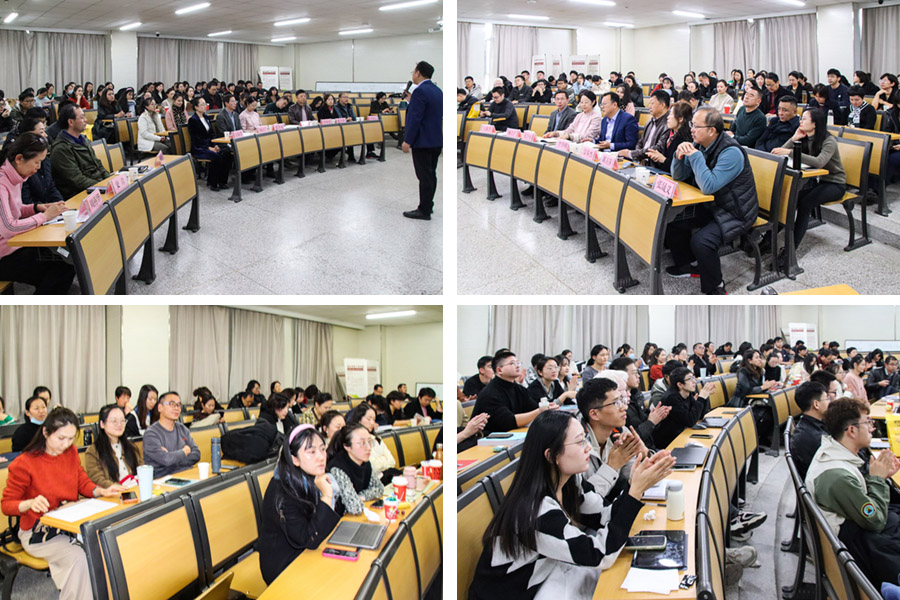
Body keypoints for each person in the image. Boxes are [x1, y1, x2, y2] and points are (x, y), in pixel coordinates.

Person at [470, 410, 673, 599]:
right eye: (579, 442)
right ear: (551, 456)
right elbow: (599, 554)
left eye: (585, 439)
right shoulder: (535, 510)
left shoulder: (570, 482)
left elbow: (604, 516)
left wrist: (634, 484)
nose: (587, 447)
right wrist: (634, 492)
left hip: (545, 578)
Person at [1, 407, 124, 600]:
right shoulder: (25, 462)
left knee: (106, 545)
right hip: (37, 531)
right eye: (61, 438)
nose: (66, 444)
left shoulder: (70, 453)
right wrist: (29, 503)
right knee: (79, 558)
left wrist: (101, 491)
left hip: (68, 523)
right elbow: (7, 505)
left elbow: (82, 482)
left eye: (70, 439)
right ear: (45, 432)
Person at [806, 398, 900, 587]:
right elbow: (875, 521)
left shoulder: (834, 453)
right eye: (868, 422)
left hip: (855, 536)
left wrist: (878, 476)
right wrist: (878, 479)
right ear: (851, 430)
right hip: (856, 552)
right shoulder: (837, 476)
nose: (872, 428)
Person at [667, 106, 759, 294]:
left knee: (702, 241)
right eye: (692, 125)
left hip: (737, 212)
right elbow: (679, 176)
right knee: (674, 220)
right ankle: (687, 265)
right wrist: (678, 156)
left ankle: (716, 287)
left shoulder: (731, 152)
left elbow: (709, 186)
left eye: (696, 126)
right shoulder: (701, 145)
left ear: (711, 130)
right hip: (713, 205)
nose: (691, 130)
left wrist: (695, 156)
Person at [258, 424, 340, 585]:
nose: (321, 457)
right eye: (311, 452)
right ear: (294, 459)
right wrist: (327, 496)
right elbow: (309, 539)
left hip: (305, 552)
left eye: (322, 449)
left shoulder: (310, 477)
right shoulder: (283, 491)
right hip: (283, 565)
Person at [0, 133, 73, 293]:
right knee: (58, 269)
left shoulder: (15, 176)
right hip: (4, 254)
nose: (39, 167)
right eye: (36, 162)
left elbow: (15, 209)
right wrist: (44, 216)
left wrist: (37, 208)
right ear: (19, 158)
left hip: (14, 244)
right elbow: (8, 227)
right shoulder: (2, 182)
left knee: (66, 260)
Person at [772, 108, 845, 259]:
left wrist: (791, 152)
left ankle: (790, 251)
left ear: (815, 124)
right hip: (819, 182)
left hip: (835, 184)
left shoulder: (829, 141)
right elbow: (779, 152)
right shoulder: (805, 137)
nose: (801, 121)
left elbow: (819, 162)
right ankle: (769, 240)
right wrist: (794, 138)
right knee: (791, 200)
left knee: (805, 204)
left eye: (804, 119)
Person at [472, 351, 559, 434]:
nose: (517, 366)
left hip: (514, 433)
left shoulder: (519, 389)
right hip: (490, 438)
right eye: (512, 363)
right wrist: (540, 411)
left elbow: (533, 408)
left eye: (518, 363)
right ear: (499, 370)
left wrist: (546, 407)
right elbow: (509, 421)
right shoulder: (490, 393)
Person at [401, 60, 442, 222]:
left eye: (413, 72)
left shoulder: (420, 91)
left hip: (423, 141)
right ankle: (428, 204)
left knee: (424, 177)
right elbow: (429, 112)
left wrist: (407, 141)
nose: (413, 74)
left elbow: (415, 119)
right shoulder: (437, 90)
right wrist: (413, 101)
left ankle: (424, 210)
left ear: (418, 73)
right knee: (431, 174)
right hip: (436, 139)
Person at [47, 103, 110, 201]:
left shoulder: (83, 140)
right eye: (82, 117)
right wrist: (102, 186)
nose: (86, 120)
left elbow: (98, 164)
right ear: (71, 122)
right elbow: (77, 180)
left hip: (97, 186)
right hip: (80, 194)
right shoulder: (61, 149)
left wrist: (109, 180)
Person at [326, 423, 384, 515]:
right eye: (362, 443)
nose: (368, 447)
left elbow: (379, 488)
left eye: (369, 441)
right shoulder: (337, 468)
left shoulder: (364, 462)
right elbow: (354, 507)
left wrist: (361, 496)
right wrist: (360, 498)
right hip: (340, 519)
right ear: (347, 447)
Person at [653, 367, 716, 449]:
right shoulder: (671, 398)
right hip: (668, 443)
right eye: (690, 379)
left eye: (693, 377)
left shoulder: (687, 392)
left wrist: (705, 397)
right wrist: (701, 398)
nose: (694, 381)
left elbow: (699, 416)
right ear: (680, 384)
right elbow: (690, 421)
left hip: (681, 435)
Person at [142, 391, 200, 478]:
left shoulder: (182, 429)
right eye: (172, 404)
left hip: (186, 475)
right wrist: (184, 451)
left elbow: (196, 454)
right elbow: (166, 459)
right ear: (160, 407)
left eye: (179, 405)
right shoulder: (151, 434)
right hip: (164, 479)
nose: (176, 408)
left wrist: (172, 457)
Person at [84, 404, 144, 488]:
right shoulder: (93, 451)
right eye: (114, 421)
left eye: (122, 420)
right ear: (102, 424)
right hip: (113, 493)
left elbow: (141, 468)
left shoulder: (131, 446)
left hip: (136, 489)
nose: (119, 424)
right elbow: (97, 479)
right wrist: (116, 487)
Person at [345, 403, 398, 484]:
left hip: (384, 475)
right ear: (359, 419)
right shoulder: (355, 440)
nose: (372, 423)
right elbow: (371, 466)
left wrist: (379, 462)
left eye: (374, 419)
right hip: (371, 481)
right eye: (369, 419)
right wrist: (384, 459)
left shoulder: (376, 438)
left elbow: (392, 461)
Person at [188, 97, 232, 191]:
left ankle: (222, 181)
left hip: (209, 145)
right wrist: (208, 147)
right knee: (216, 156)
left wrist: (215, 145)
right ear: (196, 107)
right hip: (199, 148)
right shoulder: (193, 120)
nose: (205, 106)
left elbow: (212, 134)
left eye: (205, 104)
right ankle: (212, 183)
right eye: (202, 104)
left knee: (227, 153)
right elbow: (196, 139)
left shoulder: (206, 117)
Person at [789, 381, 831, 479]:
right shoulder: (813, 437)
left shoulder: (809, 426)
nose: (829, 403)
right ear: (816, 404)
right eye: (826, 399)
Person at [620, 90, 671, 163]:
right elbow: (640, 142)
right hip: (642, 161)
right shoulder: (649, 122)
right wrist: (638, 156)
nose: (649, 106)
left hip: (654, 164)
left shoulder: (668, 124)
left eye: (652, 103)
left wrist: (633, 154)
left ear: (662, 105)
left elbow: (658, 148)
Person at [645, 100, 693, 173]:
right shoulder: (670, 134)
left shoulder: (686, 140)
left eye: (671, 114)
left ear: (680, 119)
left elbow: (681, 170)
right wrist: (657, 158)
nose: (668, 117)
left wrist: (663, 159)